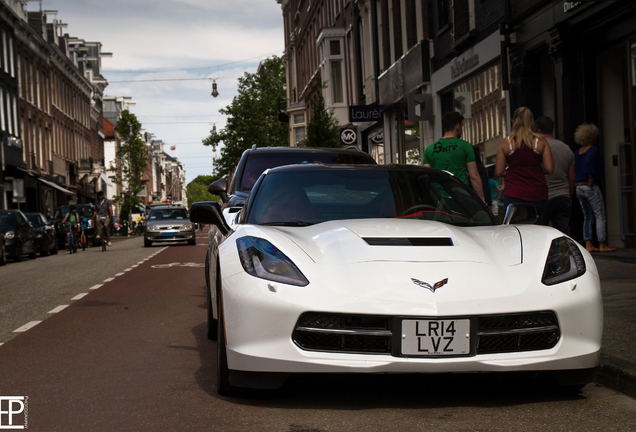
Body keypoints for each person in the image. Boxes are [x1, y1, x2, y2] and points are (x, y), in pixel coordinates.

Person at [495, 107, 553, 219]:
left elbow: (499, 172)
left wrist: (513, 171)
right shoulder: (540, 141)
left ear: (514, 121)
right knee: (538, 229)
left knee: (516, 230)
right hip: (538, 193)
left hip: (514, 194)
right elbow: (549, 169)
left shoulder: (506, 142)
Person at [423, 111, 485, 202]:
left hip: (439, 199)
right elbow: (474, 176)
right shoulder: (465, 146)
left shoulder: (429, 150)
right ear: (457, 126)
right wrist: (482, 200)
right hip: (460, 198)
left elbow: (427, 178)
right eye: (461, 126)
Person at [573, 123, 615, 252]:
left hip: (579, 187)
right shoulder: (593, 150)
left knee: (587, 216)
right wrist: (591, 179)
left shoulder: (577, 152)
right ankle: (602, 244)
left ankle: (589, 244)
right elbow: (589, 163)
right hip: (589, 186)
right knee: (600, 215)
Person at [535, 116, 575, 234]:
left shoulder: (538, 148)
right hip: (563, 196)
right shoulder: (566, 149)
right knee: (562, 233)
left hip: (544, 197)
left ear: (538, 130)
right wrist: (569, 195)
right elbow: (572, 177)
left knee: (540, 233)